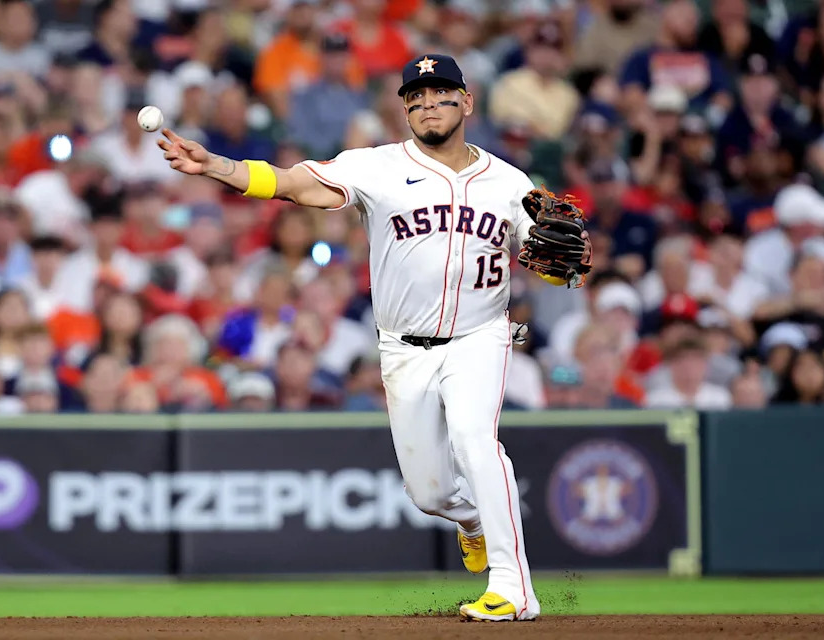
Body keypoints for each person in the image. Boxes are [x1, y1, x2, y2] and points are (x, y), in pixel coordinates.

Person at [156, 53, 595, 622]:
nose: (428, 104)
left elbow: (556, 257)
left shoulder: (509, 181)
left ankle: (514, 589)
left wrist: (575, 260)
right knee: (430, 492)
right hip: (403, 347)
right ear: (405, 109)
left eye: (440, 94)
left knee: (474, 438)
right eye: (416, 97)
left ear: (468, 101)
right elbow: (293, 185)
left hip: (479, 336)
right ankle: (473, 519)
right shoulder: (377, 166)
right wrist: (218, 166)